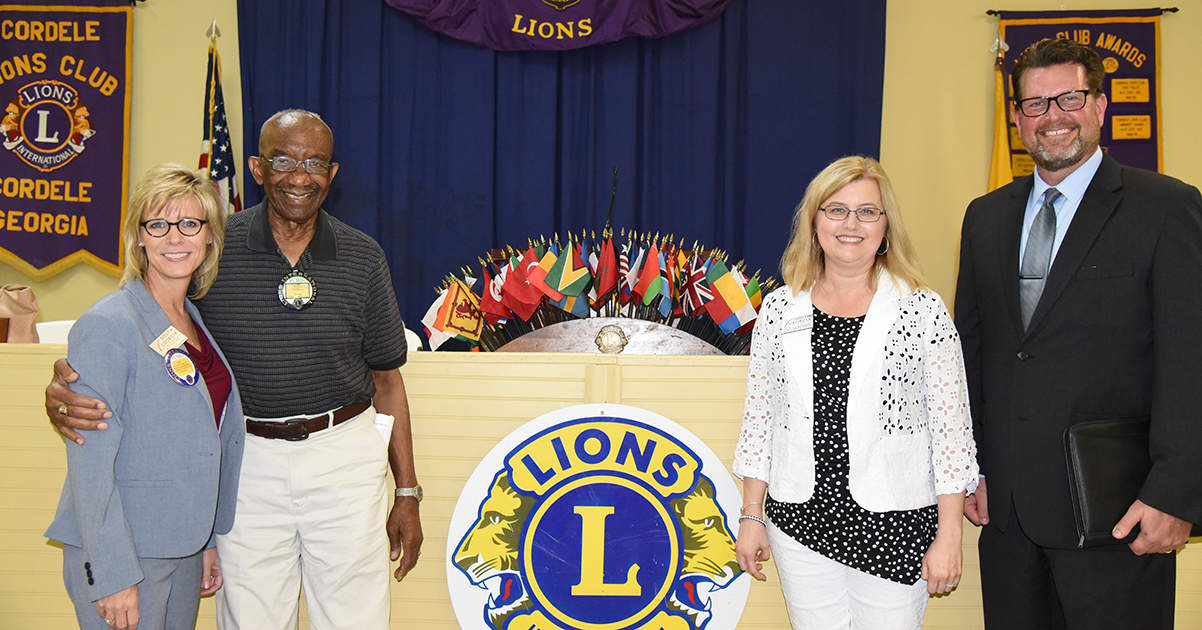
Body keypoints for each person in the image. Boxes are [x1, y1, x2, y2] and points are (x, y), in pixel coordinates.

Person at [46, 109, 423, 629]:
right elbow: (135, 326)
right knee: (252, 618)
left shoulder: (363, 257)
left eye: (314, 162)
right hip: (245, 467)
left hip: (345, 458)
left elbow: (387, 378)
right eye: (283, 160)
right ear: (256, 167)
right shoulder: (213, 255)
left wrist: (407, 491)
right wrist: (68, 383)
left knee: (356, 616)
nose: (298, 175)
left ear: (332, 174)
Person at [954, 37, 1202, 629]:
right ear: (1016, 118)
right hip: (1008, 515)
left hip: (1117, 510)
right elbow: (973, 353)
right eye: (1035, 105)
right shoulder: (984, 217)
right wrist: (971, 469)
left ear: (1099, 105)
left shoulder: (1166, 208)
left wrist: (1174, 492)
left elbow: (1189, 358)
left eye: (1069, 98)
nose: (1053, 117)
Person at [733, 156, 978, 629]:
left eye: (868, 211)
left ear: (886, 229)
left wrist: (950, 536)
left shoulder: (921, 310)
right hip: (800, 519)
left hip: (897, 523)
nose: (852, 223)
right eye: (836, 209)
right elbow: (761, 419)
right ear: (813, 223)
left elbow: (952, 432)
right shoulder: (781, 308)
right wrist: (751, 515)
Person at [44, 165, 245, 630]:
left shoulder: (192, 319)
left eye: (190, 224)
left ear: (210, 236)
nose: (175, 238)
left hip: (183, 547)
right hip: (125, 553)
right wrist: (113, 574)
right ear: (138, 238)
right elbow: (89, 462)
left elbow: (204, 437)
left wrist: (207, 540)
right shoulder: (109, 323)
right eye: (158, 224)